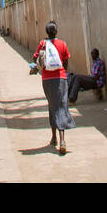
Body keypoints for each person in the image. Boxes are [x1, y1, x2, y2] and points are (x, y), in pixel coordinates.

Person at [33, 21, 74, 154]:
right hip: (60, 78)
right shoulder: (62, 44)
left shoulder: (43, 44)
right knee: (61, 106)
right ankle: (62, 140)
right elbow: (66, 61)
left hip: (47, 80)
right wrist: (63, 74)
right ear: (56, 32)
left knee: (52, 106)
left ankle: (54, 137)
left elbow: (35, 59)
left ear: (46, 32)